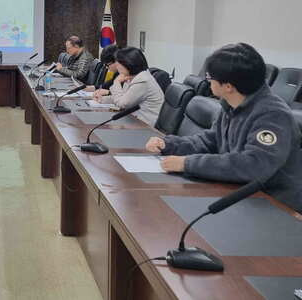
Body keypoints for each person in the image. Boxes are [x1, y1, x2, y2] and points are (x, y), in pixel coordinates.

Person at [146, 43, 302, 212]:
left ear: (228, 86)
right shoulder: (231, 105)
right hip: (238, 192)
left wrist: (188, 164)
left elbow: (253, 165)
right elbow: (211, 140)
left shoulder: (273, 115)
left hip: (273, 204)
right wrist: (170, 145)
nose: (207, 81)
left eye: (209, 77)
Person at [95, 47, 164, 126]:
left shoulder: (142, 81)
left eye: (118, 63)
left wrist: (116, 82)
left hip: (145, 125)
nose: (117, 66)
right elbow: (122, 97)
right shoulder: (131, 76)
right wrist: (102, 99)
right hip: (133, 120)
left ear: (128, 64)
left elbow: (122, 103)